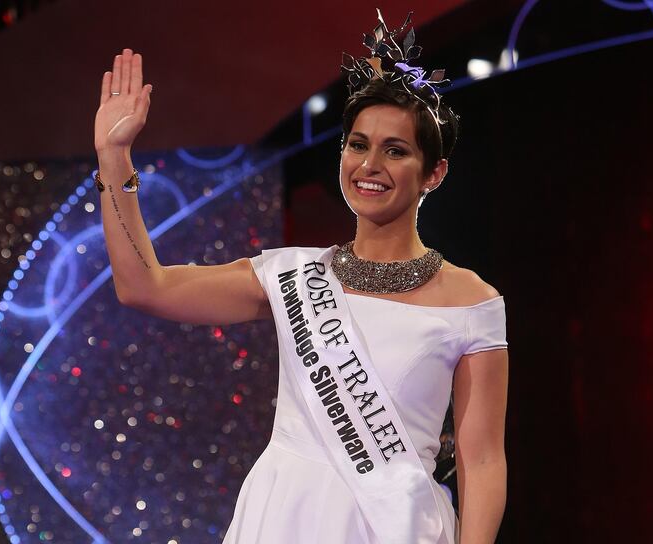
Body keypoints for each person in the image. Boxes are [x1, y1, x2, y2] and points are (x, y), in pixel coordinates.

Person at [93, 10, 508, 544]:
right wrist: (113, 157)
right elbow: (143, 286)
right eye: (357, 145)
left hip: (397, 528)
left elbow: (482, 460)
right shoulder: (290, 274)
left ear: (434, 172)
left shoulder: (471, 303)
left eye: (396, 150)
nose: (369, 164)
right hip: (283, 518)